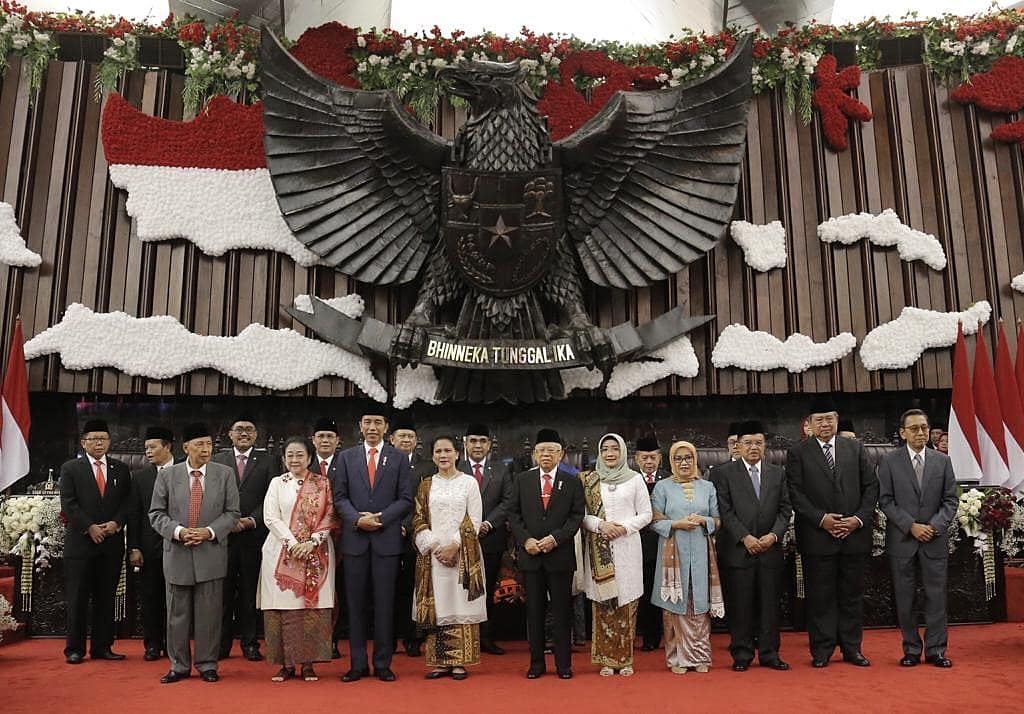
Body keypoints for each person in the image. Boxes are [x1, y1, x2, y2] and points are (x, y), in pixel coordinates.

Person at [786, 398, 878, 668]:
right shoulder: (798, 453)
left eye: (829, 418)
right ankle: (822, 649)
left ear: (836, 419)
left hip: (854, 535)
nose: (825, 424)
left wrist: (857, 520)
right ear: (810, 424)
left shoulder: (855, 448)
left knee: (852, 596)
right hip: (817, 537)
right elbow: (795, 493)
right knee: (820, 597)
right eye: (819, 420)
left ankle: (852, 648)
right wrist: (822, 519)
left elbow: (871, 487)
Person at [150, 423, 240, 683]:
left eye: (209, 444)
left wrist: (209, 532)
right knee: (176, 614)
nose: (206, 449)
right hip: (177, 552)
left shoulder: (225, 474)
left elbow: (233, 513)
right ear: (185, 447)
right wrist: (178, 532)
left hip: (210, 552)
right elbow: (156, 513)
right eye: (200, 444)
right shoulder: (168, 475)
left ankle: (207, 664)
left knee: (209, 614)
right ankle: (178, 665)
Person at [333, 410, 413, 682]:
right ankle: (357, 664)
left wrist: (380, 518)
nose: (372, 427)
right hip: (355, 541)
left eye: (378, 422)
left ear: (386, 427)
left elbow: (405, 499)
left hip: (386, 541)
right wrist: (357, 519)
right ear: (360, 426)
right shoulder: (346, 457)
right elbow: (340, 497)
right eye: (367, 422)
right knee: (355, 605)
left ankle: (382, 663)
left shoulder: (398, 458)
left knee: (384, 605)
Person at [877, 409, 958, 668]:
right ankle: (911, 649)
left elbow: (951, 500)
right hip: (903, 540)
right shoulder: (889, 461)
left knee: (937, 597)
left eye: (924, 427)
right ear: (903, 433)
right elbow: (885, 500)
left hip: (934, 539)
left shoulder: (942, 461)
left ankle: (936, 650)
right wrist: (910, 526)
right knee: (905, 598)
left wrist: (933, 526)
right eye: (914, 428)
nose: (920, 432)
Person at [715, 421, 792, 671]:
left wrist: (773, 536)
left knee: (770, 606)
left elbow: (785, 509)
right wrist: (745, 537)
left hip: (770, 550)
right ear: (738, 446)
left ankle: (770, 654)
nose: (753, 447)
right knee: (741, 605)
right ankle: (742, 653)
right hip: (739, 551)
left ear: (765, 445)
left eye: (758, 442)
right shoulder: (724, 473)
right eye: (748, 443)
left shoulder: (778, 473)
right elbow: (725, 511)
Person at [258, 436, 336, 682]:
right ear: (283, 458)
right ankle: (286, 664)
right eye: (290, 455)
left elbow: (329, 515)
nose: (294, 459)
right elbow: (270, 517)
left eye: (300, 455)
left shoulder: (322, 483)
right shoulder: (277, 483)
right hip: (281, 552)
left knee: (309, 610)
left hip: (316, 553)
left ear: (310, 457)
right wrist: (293, 543)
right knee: (283, 609)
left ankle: (309, 664)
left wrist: (312, 542)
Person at [509, 428, 585, 680]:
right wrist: (526, 540)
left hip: (559, 556)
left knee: (562, 612)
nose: (546, 455)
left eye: (551, 450)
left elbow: (576, 517)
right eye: (541, 450)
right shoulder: (523, 480)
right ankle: (536, 664)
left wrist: (555, 539)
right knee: (534, 613)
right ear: (534, 453)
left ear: (561, 454)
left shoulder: (572, 481)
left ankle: (564, 665)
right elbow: (513, 514)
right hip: (531, 557)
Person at [413, 436, 488, 680]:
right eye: (438, 451)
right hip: (434, 557)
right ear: (432, 456)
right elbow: (418, 518)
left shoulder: (469, 483)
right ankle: (440, 662)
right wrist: (436, 547)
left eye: (447, 451)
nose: (443, 455)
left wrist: (454, 546)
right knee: (439, 605)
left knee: (460, 604)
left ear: (457, 453)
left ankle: (460, 662)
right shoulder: (426, 485)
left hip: (463, 556)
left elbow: (474, 519)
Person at [58, 419, 133, 664]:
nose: (99, 443)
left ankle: (102, 646)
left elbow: (128, 502)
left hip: (111, 545)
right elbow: (68, 503)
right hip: (80, 546)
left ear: (109, 442)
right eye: (93, 439)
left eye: (103, 439)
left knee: (106, 597)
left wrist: (116, 523)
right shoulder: (71, 468)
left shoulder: (121, 469)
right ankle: (75, 649)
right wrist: (89, 527)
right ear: (83, 442)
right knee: (77, 599)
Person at [580, 433, 652, 676]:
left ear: (622, 452)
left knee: (626, 601)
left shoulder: (635, 479)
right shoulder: (591, 480)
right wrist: (600, 525)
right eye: (605, 449)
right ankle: (607, 660)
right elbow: (582, 515)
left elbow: (646, 514)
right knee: (604, 603)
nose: (610, 453)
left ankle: (624, 659)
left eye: (614, 448)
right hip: (599, 549)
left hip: (627, 547)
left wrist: (623, 527)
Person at [650, 440, 723, 675]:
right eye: (678, 458)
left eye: (688, 458)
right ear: (671, 461)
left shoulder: (707, 487)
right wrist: (676, 524)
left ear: (695, 460)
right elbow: (653, 520)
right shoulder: (662, 487)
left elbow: (718, 520)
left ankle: (700, 656)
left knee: (698, 603)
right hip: (673, 553)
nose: (684, 463)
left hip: (701, 553)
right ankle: (676, 659)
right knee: (674, 606)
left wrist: (704, 521)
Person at [212, 417, 275, 661]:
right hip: (223, 539)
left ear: (256, 434)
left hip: (254, 538)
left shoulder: (269, 461)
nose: (244, 433)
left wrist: (251, 520)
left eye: (249, 429)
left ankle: (250, 643)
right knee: (222, 595)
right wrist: (227, 522)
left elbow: (271, 497)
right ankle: (221, 645)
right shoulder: (217, 460)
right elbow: (211, 496)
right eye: (239, 429)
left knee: (250, 594)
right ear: (230, 434)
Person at [458, 423, 513, 655]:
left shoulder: (501, 469)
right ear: (465, 443)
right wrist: (469, 527)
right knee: (461, 590)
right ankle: (463, 637)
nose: (478, 445)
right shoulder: (456, 467)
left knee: (487, 589)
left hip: (490, 538)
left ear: (489, 445)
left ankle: (486, 637)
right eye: (473, 441)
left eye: (482, 441)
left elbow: (508, 501)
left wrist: (487, 524)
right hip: (460, 540)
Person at [128, 426, 175, 661]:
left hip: (179, 545)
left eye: (153, 447)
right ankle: (152, 645)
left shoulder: (185, 471)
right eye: (145, 448)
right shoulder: (140, 477)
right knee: (150, 597)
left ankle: (173, 644)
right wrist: (134, 547)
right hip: (149, 548)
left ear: (167, 447)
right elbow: (134, 514)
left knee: (176, 599)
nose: (148, 452)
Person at [309, 417, 345, 659]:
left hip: (339, 537)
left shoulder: (346, 463)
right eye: (321, 436)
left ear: (337, 440)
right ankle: (311, 639)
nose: (325, 440)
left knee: (337, 589)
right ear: (313, 440)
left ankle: (333, 638)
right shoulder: (304, 463)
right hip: (309, 539)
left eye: (330, 436)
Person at [392, 414, 427, 658]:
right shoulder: (383, 463)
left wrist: (406, 525)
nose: (406, 440)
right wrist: (394, 524)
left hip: (415, 536)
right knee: (389, 589)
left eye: (410, 436)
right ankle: (389, 637)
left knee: (414, 588)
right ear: (392, 439)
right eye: (402, 436)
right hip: (387, 533)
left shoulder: (426, 467)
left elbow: (423, 502)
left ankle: (413, 637)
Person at [634, 435, 668, 651]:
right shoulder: (630, 480)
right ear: (636, 459)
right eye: (644, 457)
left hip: (665, 542)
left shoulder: (669, 479)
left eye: (653, 457)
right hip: (638, 543)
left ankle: (667, 634)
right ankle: (647, 636)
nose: (649, 461)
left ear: (659, 458)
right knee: (645, 591)